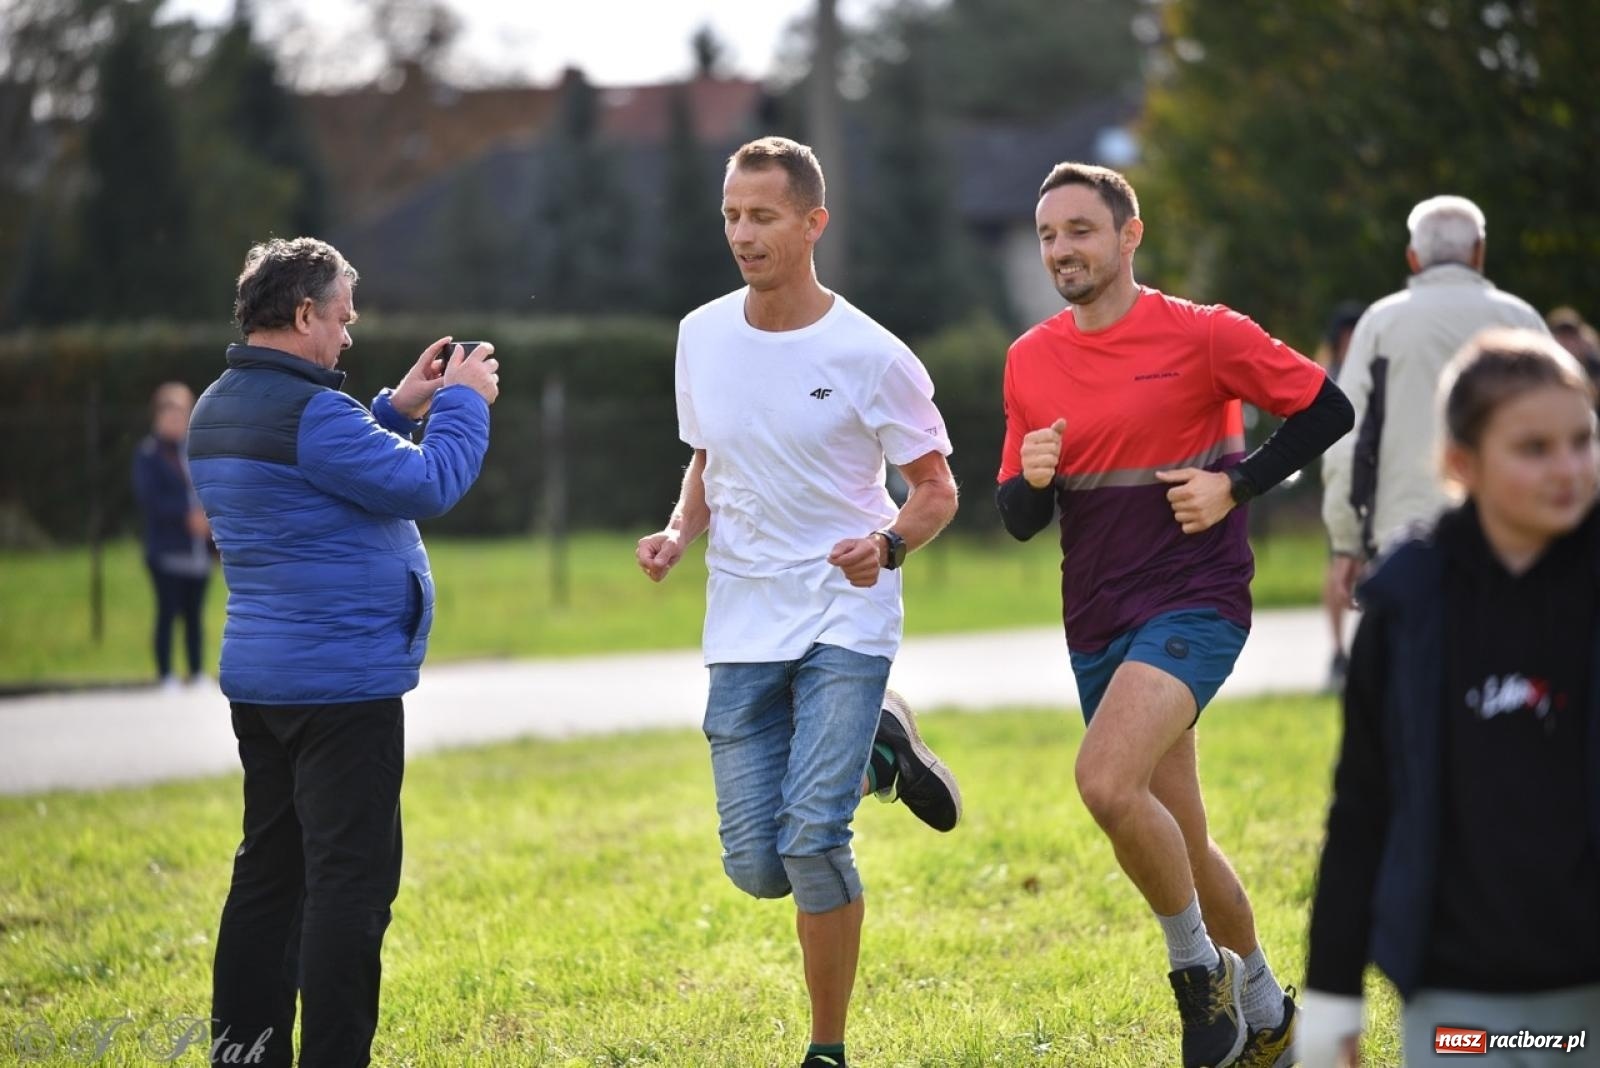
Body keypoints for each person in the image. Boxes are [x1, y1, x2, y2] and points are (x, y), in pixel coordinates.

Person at [995, 161, 1353, 1068]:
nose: (1061, 250)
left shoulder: (1203, 335)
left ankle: (1199, 981)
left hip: (1197, 599)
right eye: (1047, 235)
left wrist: (1235, 485)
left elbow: (1327, 407)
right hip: (1096, 618)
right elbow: (1019, 519)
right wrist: (1032, 480)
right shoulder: (1030, 358)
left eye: (1080, 229)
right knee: (1180, 837)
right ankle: (1270, 1009)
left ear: (1129, 234)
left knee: (1106, 783)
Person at [635, 136, 962, 1068]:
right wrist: (678, 533)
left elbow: (937, 490)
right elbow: (709, 459)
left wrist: (890, 542)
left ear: (813, 222)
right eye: (733, 215)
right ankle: (879, 747)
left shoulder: (871, 353)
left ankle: (827, 1048)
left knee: (814, 838)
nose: (742, 233)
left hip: (843, 608)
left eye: (763, 216)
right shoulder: (701, 334)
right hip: (742, 611)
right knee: (757, 867)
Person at [188, 237, 500, 1068]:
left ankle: (244, 1056)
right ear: (301, 314)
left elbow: (326, 475)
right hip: (342, 691)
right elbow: (428, 484)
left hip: (265, 683)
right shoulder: (314, 415)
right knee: (349, 894)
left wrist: (395, 408)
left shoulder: (218, 405)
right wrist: (465, 403)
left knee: (268, 882)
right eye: (341, 317)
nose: (349, 337)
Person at [1301, 329, 1600, 1067]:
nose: (1568, 468)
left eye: (1583, 439)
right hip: (1457, 1005)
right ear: (1462, 463)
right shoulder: (1408, 603)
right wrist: (1332, 997)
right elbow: (1362, 806)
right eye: (1533, 449)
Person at [1321, 195, 1547, 608]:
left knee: (1419, 667)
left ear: (1413, 258)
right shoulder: (1522, 321)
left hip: (1404, 538)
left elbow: (1346, 442)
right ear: (1479, 252)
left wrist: (1346, 542)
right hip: (1511, 531)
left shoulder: (1380, 324)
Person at [131, 381, 212, 689]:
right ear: (158, 416)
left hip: (197, 551)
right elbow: (150, 500)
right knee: (167, 613)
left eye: (183, 413)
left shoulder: (194, 450)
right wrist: (185, 516)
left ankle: (197, 671)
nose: (178, 420)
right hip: (166, 550)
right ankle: (165, 674)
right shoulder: (149, 454)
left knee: (195, 615)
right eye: (171, 414)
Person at [1315, 302, 1366, 693]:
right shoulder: (1327, 376)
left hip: (1373, 474)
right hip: (1339, 477)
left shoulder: (1375, 371)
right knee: (1339, 561)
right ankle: (1338, 649)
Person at [1547, 305, 1600, 396]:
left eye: (1572, 335)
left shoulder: (1594, 363)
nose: (1569, 342)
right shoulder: (1544, 365)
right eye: (1563, 336)